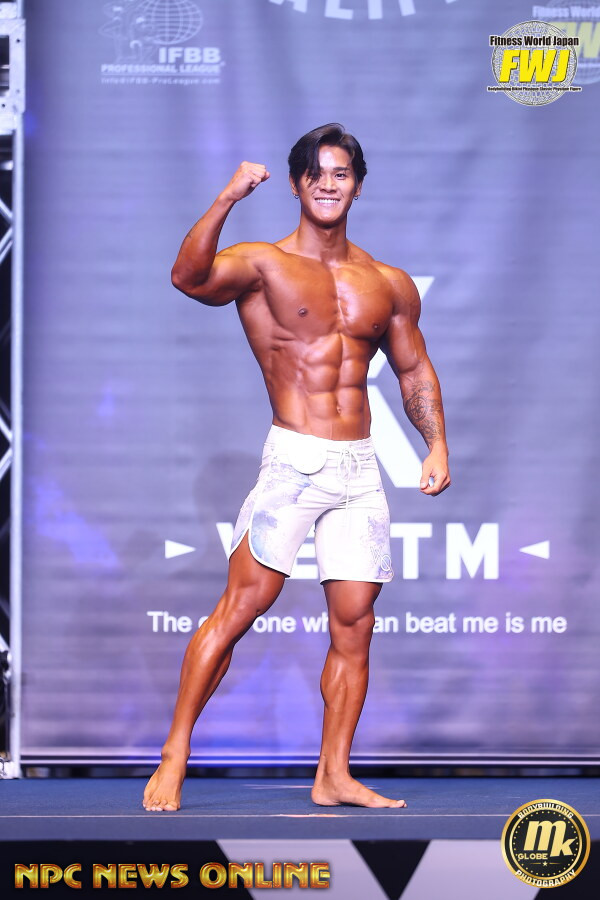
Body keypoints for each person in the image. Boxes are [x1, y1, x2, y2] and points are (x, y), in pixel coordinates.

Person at [143, 123, 450, 812]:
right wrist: (228, 196)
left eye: (341, 173)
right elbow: (188, 277)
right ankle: (175, 753)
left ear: (358, 186)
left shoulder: (387, 283)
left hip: (359, 469)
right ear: (295, 184)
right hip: (294, 461)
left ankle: (333, 774)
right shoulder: (263, 264)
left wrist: (435, 443)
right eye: (316, 173)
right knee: (242, 607)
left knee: (355, 623)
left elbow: (413, 370)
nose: (328, 184)